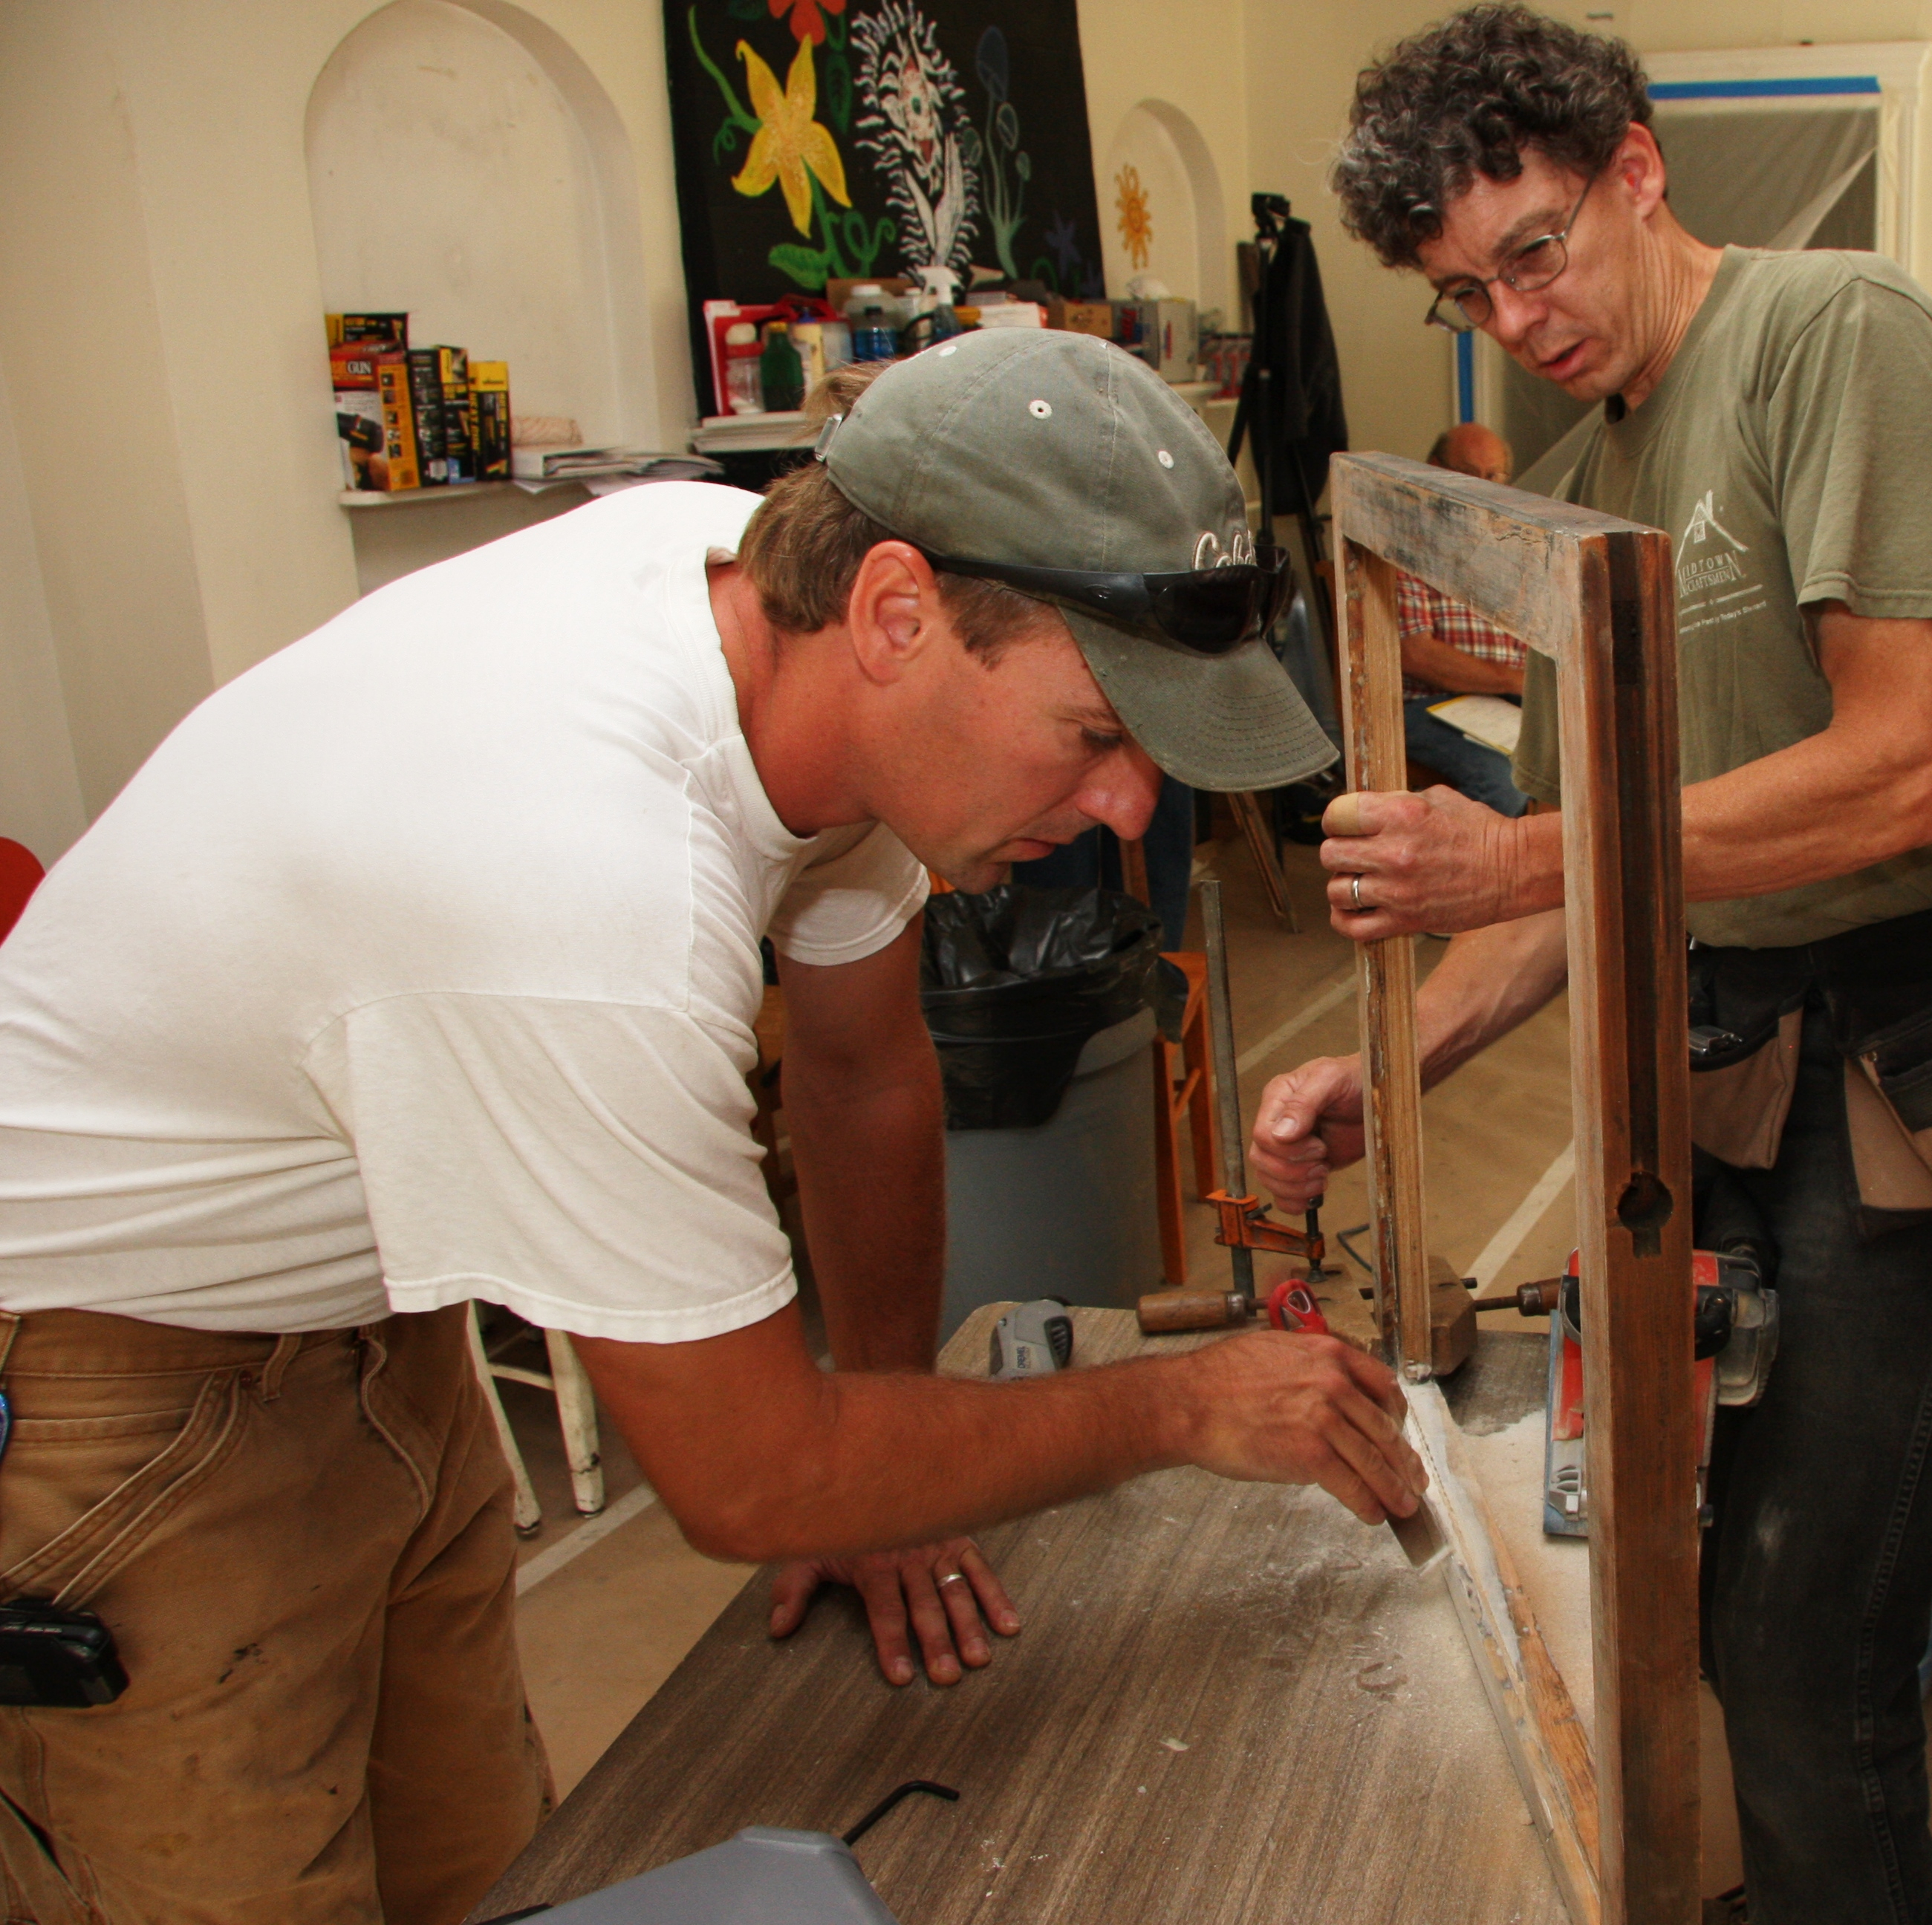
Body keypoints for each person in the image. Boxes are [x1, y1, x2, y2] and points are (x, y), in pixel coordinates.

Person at [0, 329, 1426, 1924]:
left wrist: (889, 1448)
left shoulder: (752, 621)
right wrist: (1181, 1409)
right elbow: (745, 1479)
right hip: (107, 1388)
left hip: (370, 1333)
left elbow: (864, 1069)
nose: (1128, 812)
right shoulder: (582, 888)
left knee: (491, 1877)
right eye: (1097, 737)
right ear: (896, 611)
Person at [1256, 11, 1932, 1921]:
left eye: (1535, 249)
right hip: (1742, 1045)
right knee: (1701, 1573)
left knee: (1800, 1638)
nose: (1516, 318)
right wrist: (1405, 1053)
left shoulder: (1831, 339)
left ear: (1638, 170)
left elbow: (1910, 758)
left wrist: (1518, 847)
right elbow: (1615, 876)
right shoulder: (1601, 467)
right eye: (1463, 293)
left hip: (1915, 1060)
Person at [1396, 421, 1532, 817]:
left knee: (1611, 750)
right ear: (1435, 468)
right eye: (1470, 474)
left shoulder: (1516, 543)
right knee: (1504, 779)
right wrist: (1514, 680)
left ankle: (1543, 873)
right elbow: (1416, 654)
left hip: (1513, 702)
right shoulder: (1405, 538)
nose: (1484, 487)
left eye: (1494, 477)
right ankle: (1462, 876)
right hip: (1431, 703)